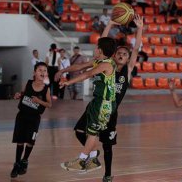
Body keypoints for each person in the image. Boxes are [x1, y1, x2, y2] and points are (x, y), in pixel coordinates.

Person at [56, 15, 143, 182]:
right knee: (81, 131)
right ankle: (93, 156)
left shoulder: (126, 69)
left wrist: (140, 29)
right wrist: (109, 24)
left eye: (125, 54)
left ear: (127, 58)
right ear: (113, 54)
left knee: (107, 145)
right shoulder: (104, 62)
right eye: (119, 52)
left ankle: (106, 173)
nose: (122, 55)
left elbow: (136, 48)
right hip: (97, 103)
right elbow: (101, 45)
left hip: (110, 109)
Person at [59, 36, 117, 172]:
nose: (94, 49)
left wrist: (68, 82)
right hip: (96, 102)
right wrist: (63, 71)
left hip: (104, 104)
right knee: (87, 131)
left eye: (96, 47)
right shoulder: (98, 61)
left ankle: (81, 160)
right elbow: (80, 66)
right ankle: (92, 160)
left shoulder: (106, 64)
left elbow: (87, 74)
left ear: (100, 50)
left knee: (92, 133)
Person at [10, 62, 52, 178]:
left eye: (45, 70)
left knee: (30, 141)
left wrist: (39, 101)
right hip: (22, 116)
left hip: (34, 118)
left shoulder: (46, 89)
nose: (42, 72)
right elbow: (23, 94)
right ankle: (17, 163)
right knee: (20, 140)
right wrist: (19, 95)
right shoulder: (28, 83)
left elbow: (49, 104)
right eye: (40, 70)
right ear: (34, 72)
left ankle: (25, 160)